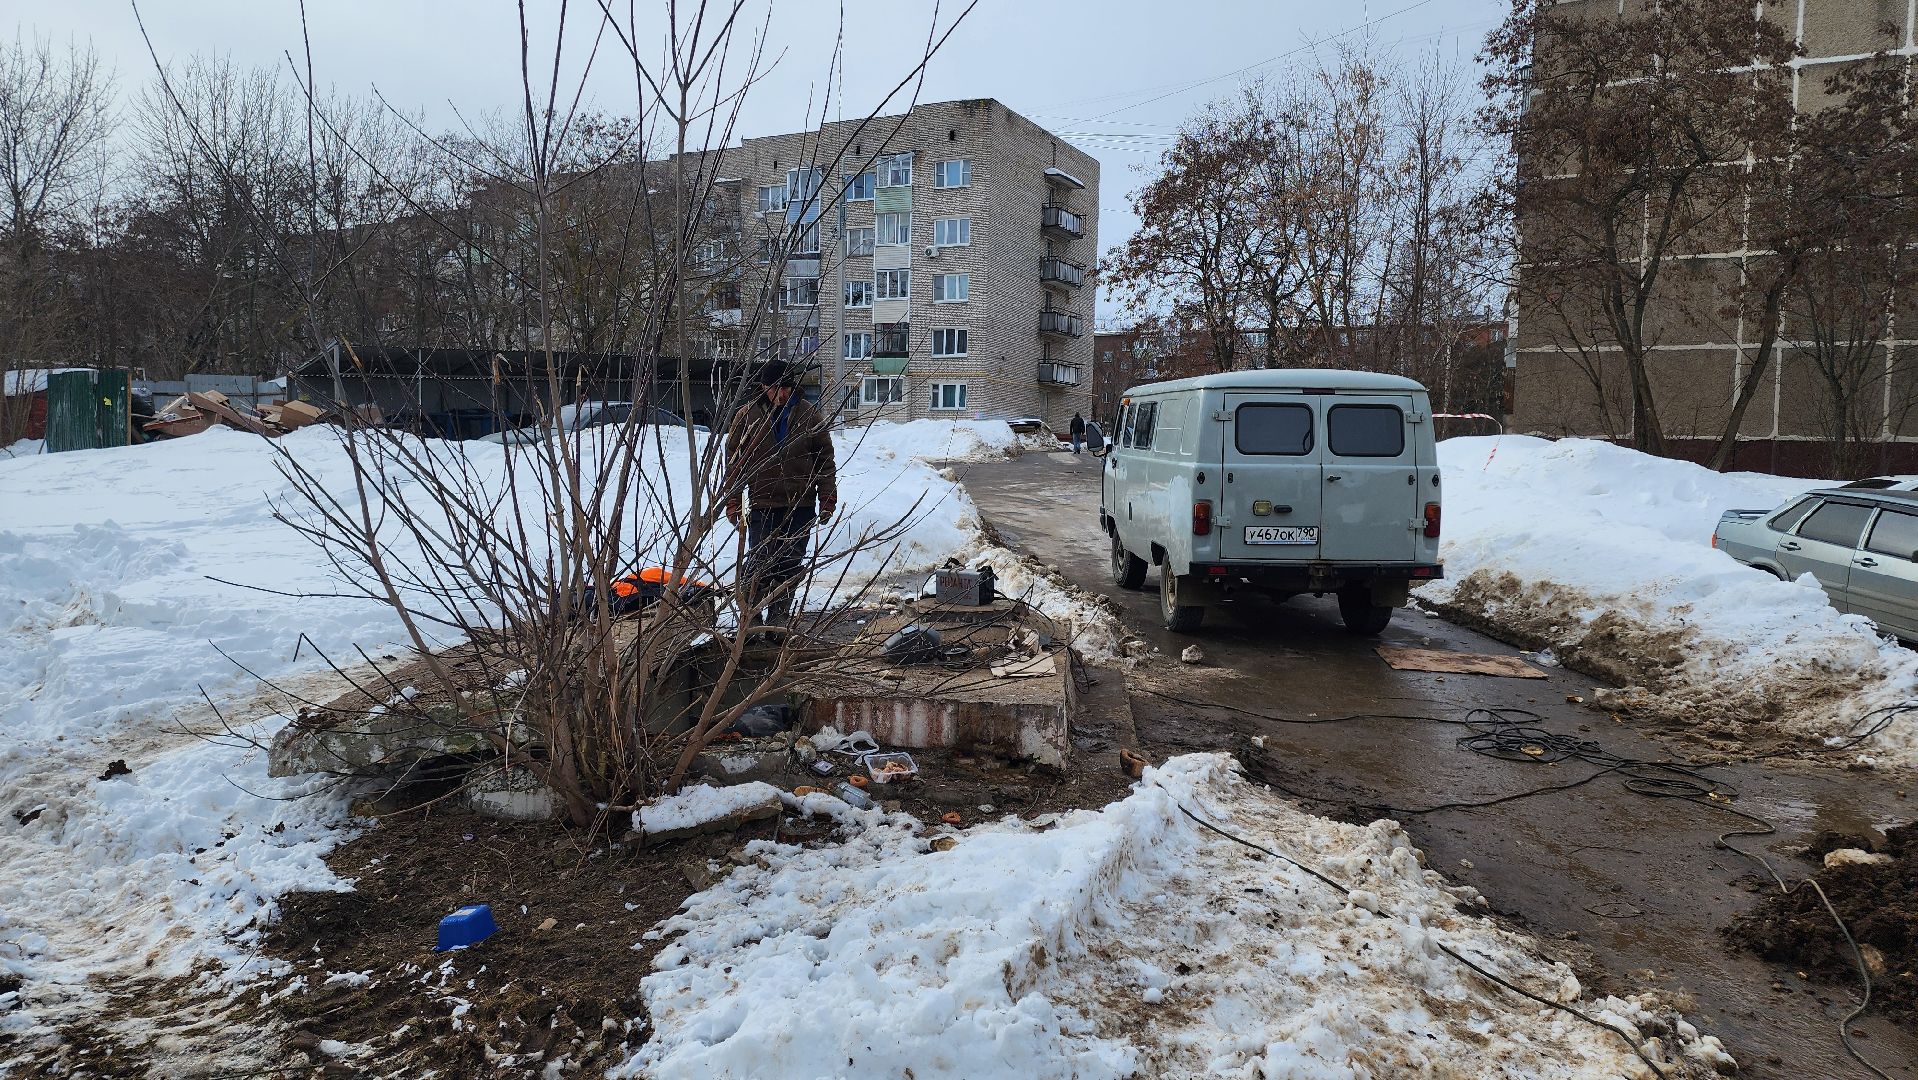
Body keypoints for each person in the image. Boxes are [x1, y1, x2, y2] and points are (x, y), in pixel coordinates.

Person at [723, 360, 838, 627]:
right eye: (776, 388)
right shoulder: (747, 416)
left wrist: (827, 499)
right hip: (763, 503)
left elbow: (825, 461)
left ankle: (778, 619)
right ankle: (751, 620)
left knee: (790, 565)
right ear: (764, 386)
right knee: (759, 564)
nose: (782, 394)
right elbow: (734, 464)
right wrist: (733, 501)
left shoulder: (809, 415)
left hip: (801, 505)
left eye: (787, 388)